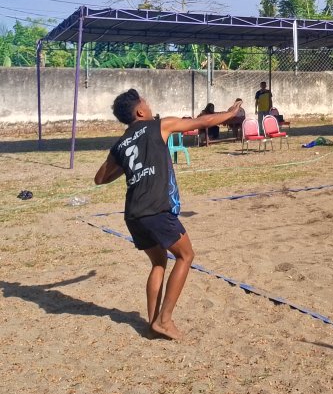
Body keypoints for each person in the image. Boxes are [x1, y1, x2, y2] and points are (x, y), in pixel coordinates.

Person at [93, 89, 242, 340]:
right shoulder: (158, 125)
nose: (150, 106)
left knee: (158, 262)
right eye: (146, 103)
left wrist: (129, 165)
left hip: (133, 214)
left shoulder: (121, 144)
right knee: (186, 255)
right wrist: (230, 113)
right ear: (140, 111)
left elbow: (100, 178)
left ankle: (152, 322)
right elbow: (202, 121)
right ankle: (164, 320)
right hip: (156, 210)